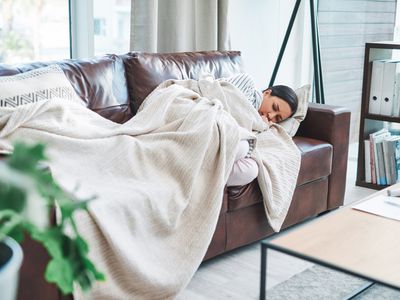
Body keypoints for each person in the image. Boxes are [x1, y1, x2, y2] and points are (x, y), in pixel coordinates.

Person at [223, 73, 298, 187]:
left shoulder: (263, 125)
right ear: (267, 93)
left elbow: (241, 129)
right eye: (274, 107)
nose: (271, 116)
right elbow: (229, 108)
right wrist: (260, 124)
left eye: (277, 118)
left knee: (250, 170)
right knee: (243, 147)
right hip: (209, 114)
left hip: (226, 135)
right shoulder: (247, 82)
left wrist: (260, 126)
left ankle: (203, 176)